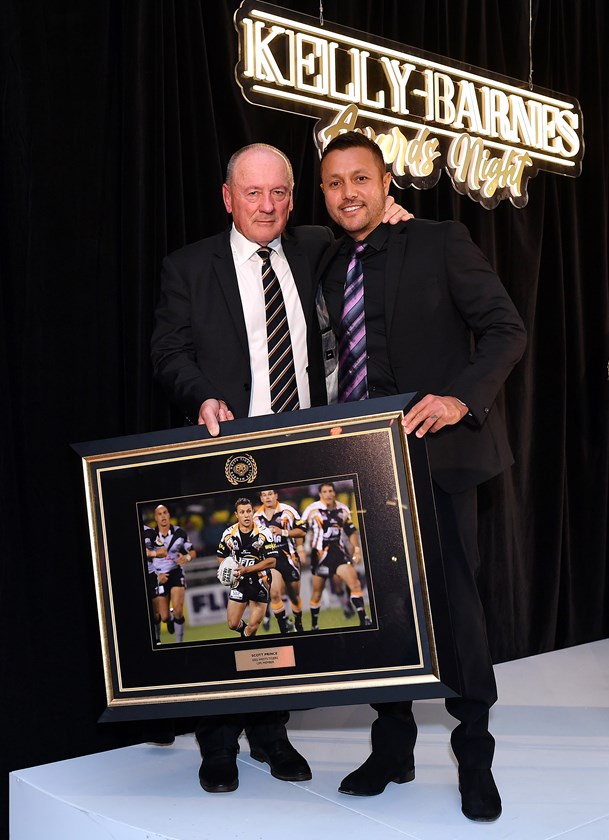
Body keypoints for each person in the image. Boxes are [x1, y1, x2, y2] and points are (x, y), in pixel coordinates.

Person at [151, 142, 411, 793]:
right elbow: (168, 350)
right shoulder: (189, 267)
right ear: (227, 197)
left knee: (273, 600)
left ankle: (269, 734)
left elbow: (363, 221)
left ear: (292, 199)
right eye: (252, 193)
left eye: (278, 193)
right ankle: (216, 743)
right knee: (220, 604)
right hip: (222, 451)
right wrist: (200, 394)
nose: (266, 205)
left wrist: (394, 214)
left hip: (302, 454)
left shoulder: (312, 247)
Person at [318, 132, 527, 822]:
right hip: (357, 467)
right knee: (378, 612)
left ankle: (474, 755)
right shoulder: (318, 258)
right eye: (333, 183)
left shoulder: (440, 240)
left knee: (453, 610)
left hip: (436, 461)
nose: (348, 193)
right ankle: (393, 747)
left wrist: (459, 397)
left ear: (386, 185)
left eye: (360, 179)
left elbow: (504, 328)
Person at [301, 481, 370, 630]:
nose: (328, 494)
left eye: (330, 491)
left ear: (334, 492)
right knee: (317, 593)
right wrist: (301, 547)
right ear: (320, 494)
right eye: (325, 492)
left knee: (355, 584)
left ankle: (363, 619)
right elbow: (300, 530)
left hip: (339, 553)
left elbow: (351, 531)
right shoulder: (311, 510)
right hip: (319, 557)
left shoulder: (343, 509)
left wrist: (356, 549)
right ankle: (314, 625)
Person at [218, 497, 278, 638]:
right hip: (239, 582)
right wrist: (224, 571)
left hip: (260, 581)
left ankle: (248, 641)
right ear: (236, 515)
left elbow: (272, 561)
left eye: (249, 511)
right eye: (242, 512)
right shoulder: (228, 534)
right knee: (233, 624)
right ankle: (247, 636)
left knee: (253, 626)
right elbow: (221, 554)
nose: (246, 515)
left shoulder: (264, 533)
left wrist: (246, 570)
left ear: (253, 512)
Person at [254, 488, 306, 634]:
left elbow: (302, 531)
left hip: (289, 557)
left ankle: (298, 622)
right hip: (271, 560)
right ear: (261, 499)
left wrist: (283, 532)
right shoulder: (256, 518)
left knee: (294, 597)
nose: (267, 497)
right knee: (275, 593)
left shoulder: (288, 511)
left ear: (276, 495)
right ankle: (284, 630)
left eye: (270, 494)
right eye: (264, 495)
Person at [144, 504, 195, 643]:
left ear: (169, 515)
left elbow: (192, 551)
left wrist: (187, 557)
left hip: (176, 572)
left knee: (179, 610)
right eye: (159, 514)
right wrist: (157, 575)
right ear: (155, 517)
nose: (163, 516)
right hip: (160, 575)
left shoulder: (180, 532)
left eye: (165, 512)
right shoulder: (150, 534)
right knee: (164, 616)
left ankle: (179, 643)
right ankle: (170, 618)